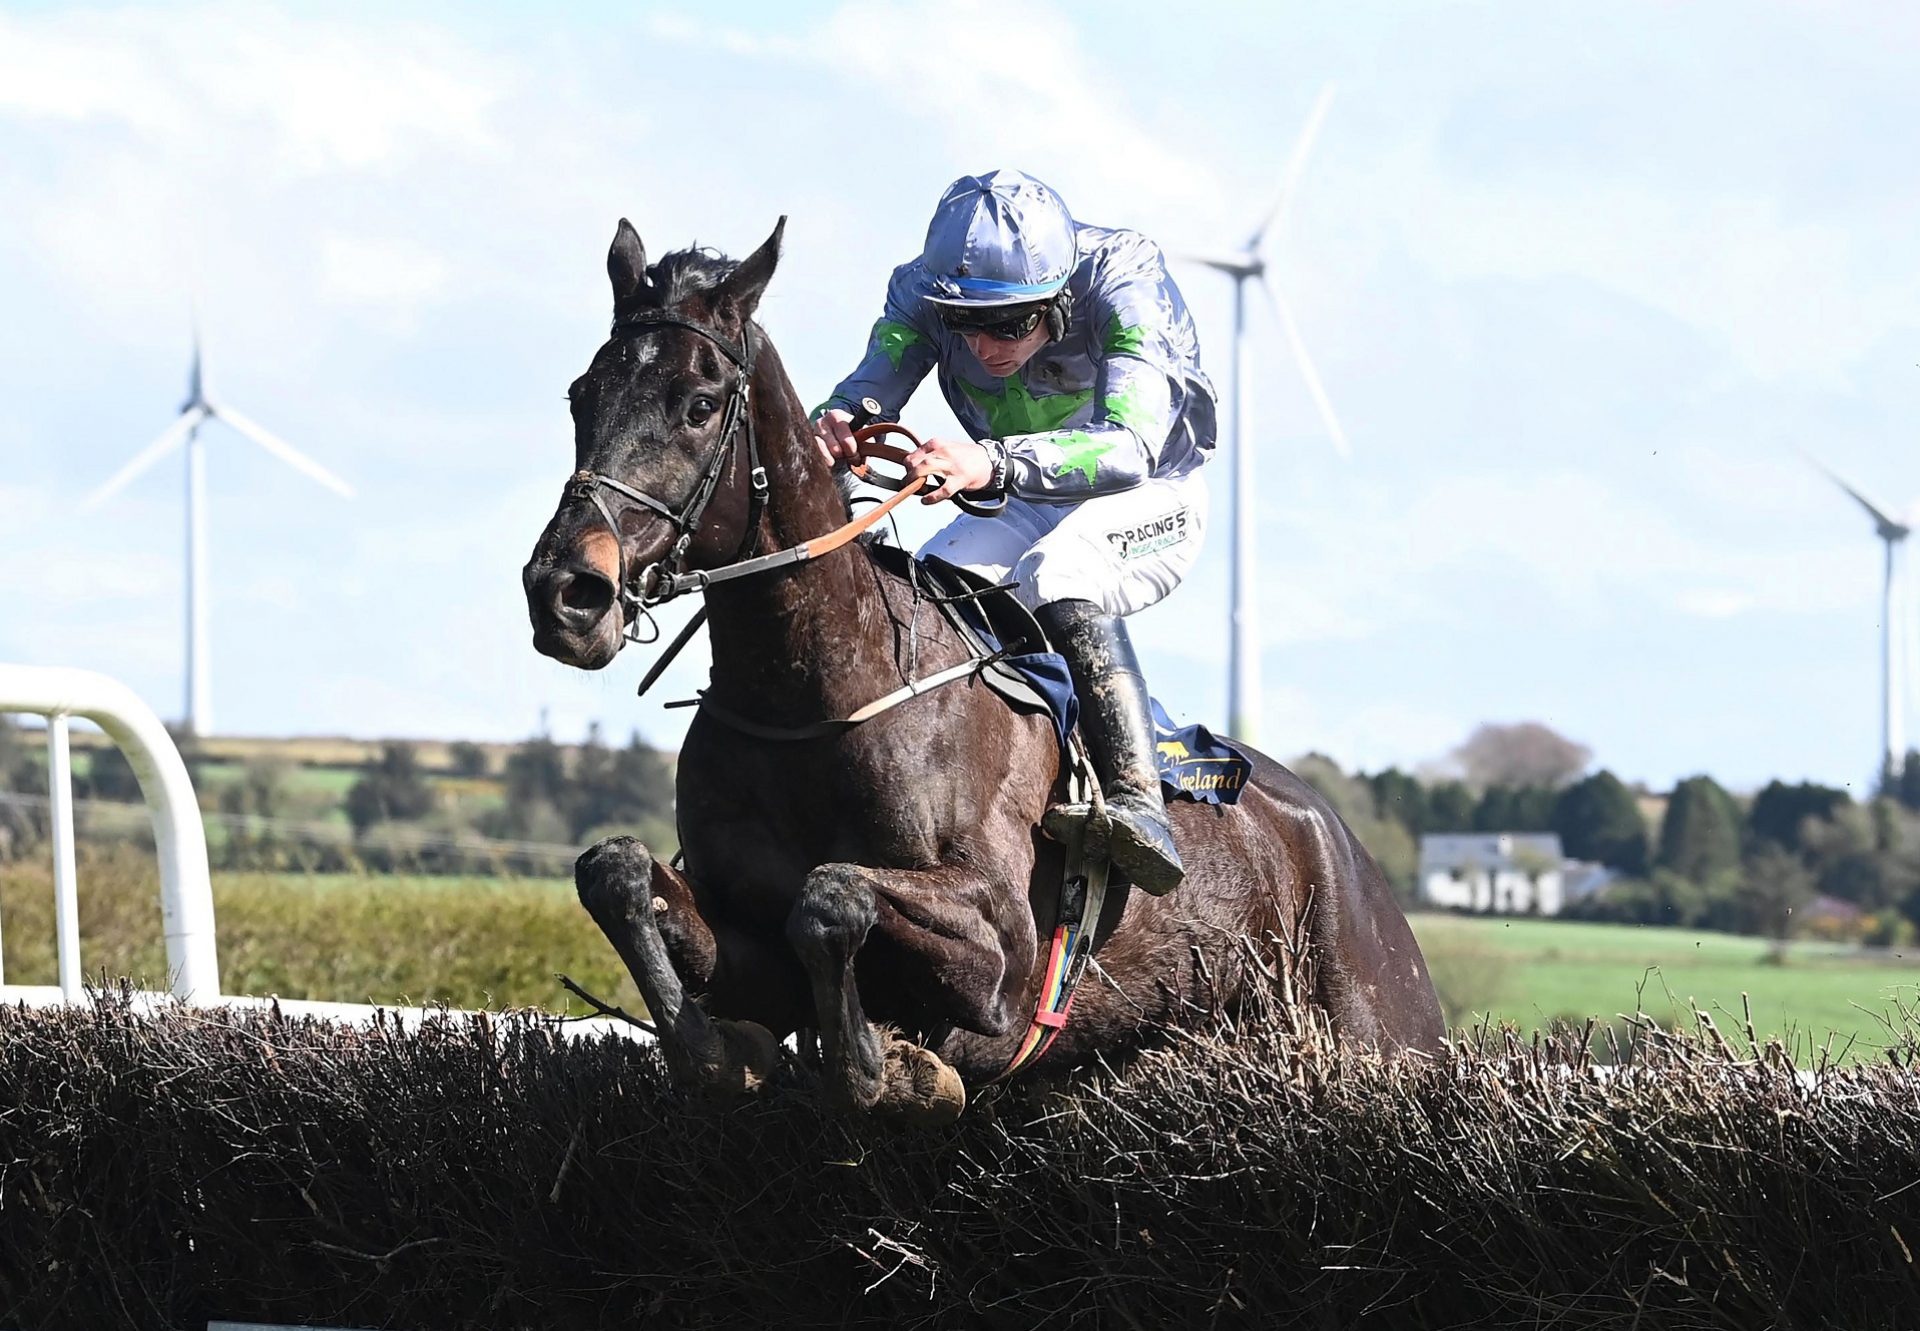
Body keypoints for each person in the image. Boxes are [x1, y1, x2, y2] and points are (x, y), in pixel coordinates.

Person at [813, 169, 1218, 896]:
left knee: (1060, 572)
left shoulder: (1125, 277)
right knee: (924, 597)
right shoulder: (921, 288)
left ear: (1060, 299)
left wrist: (989, 460)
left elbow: (1130, 447)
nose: (984, 346)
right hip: (1020, 493)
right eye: (962, 325)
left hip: (1149, 491)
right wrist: (841, 419)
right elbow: (875, 382)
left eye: (1010, 324)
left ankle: (1137, 801)